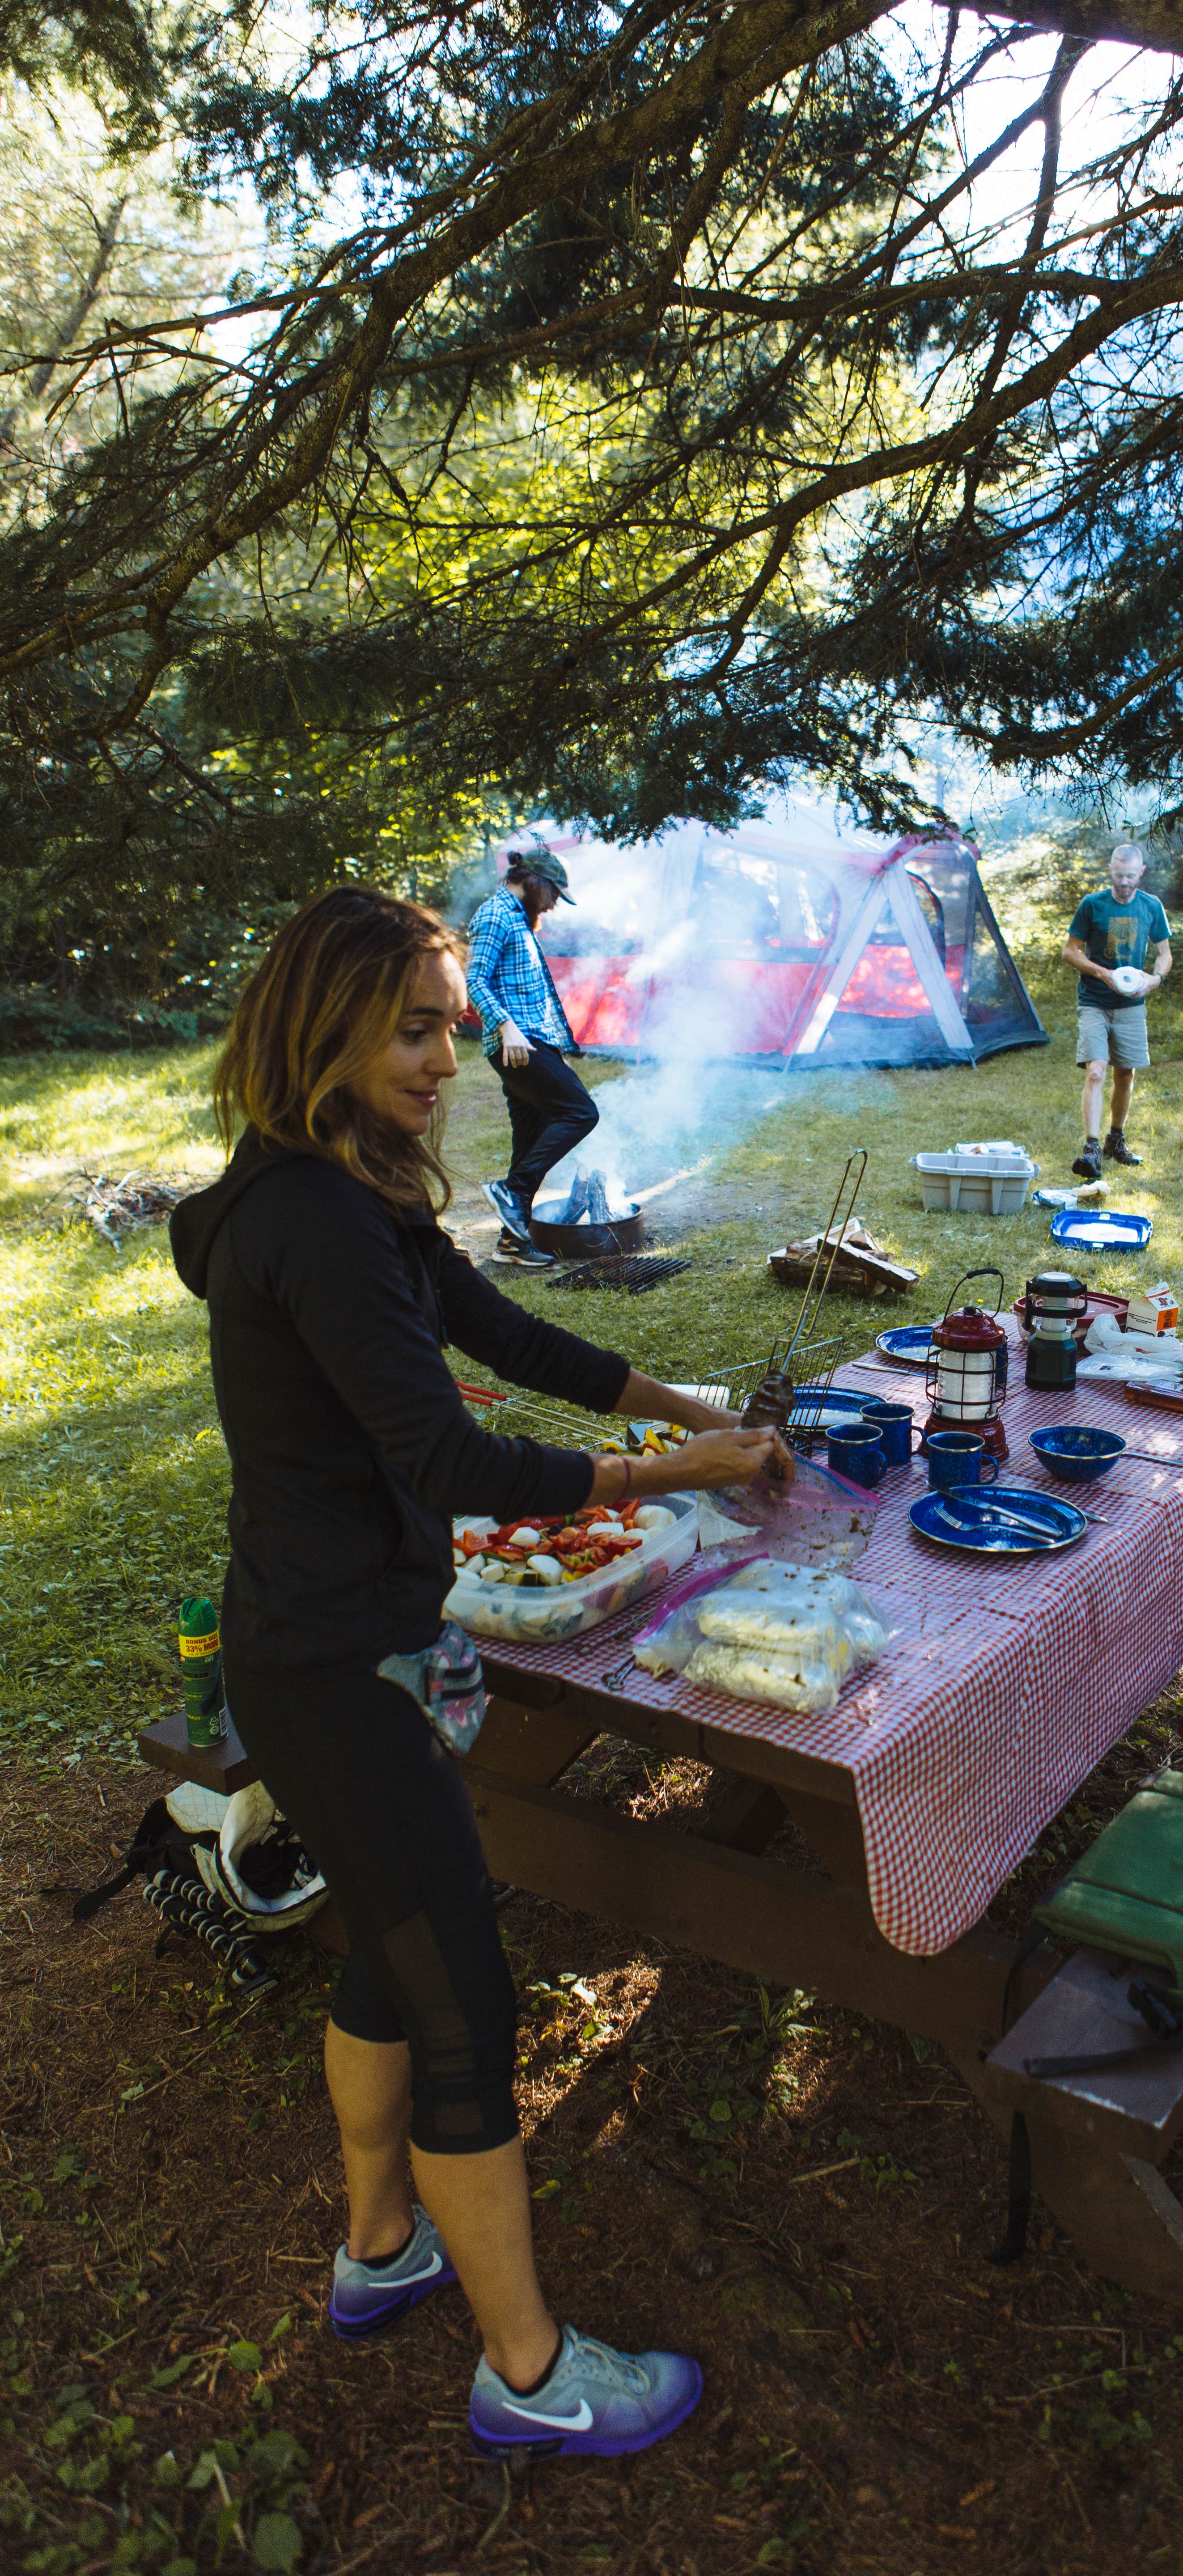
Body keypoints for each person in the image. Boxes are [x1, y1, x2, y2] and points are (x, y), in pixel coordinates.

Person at [169, 886, 793, 2462]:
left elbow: (507, 1336)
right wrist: (672, 1474)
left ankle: (381, 2248)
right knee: (464, 2000)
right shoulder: (312, 1221)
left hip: (343, 1639)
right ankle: (527, 2373)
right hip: (332, 1667)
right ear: (322, 1025)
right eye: (411, 1030)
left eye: (449, 1027)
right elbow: (450, 1456)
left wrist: (691, 1407)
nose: (446, 1060)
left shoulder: (339, 1188)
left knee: (398, 1952)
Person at [465, 840, 596, 1270]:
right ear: (536, 882)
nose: (555, 903)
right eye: (554, 892)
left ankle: (512, 1243)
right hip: (516, 1044)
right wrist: (506, 1026)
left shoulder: (519, 919)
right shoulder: (495, 915)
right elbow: (475, 980)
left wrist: (555, 1048)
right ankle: (512, 1190)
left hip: (533, 1044)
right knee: (581, 1112)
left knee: (530, 1141)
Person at [1061, 843, 1173, 1180]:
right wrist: (1103, 974)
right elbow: (1070, 952)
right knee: (1096, 1072)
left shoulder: (1151, 906)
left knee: (1125, 1074)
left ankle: (1116, 1140)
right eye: (1119, 875)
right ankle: (1092, 1149)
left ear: (1141, 873)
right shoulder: (1093, 905)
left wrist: (1154, 980)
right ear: (1110, 870)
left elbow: (1164, 954)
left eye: (1130, 876)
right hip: (1094, 1001)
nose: (1124, 882)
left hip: (1131, 1005)